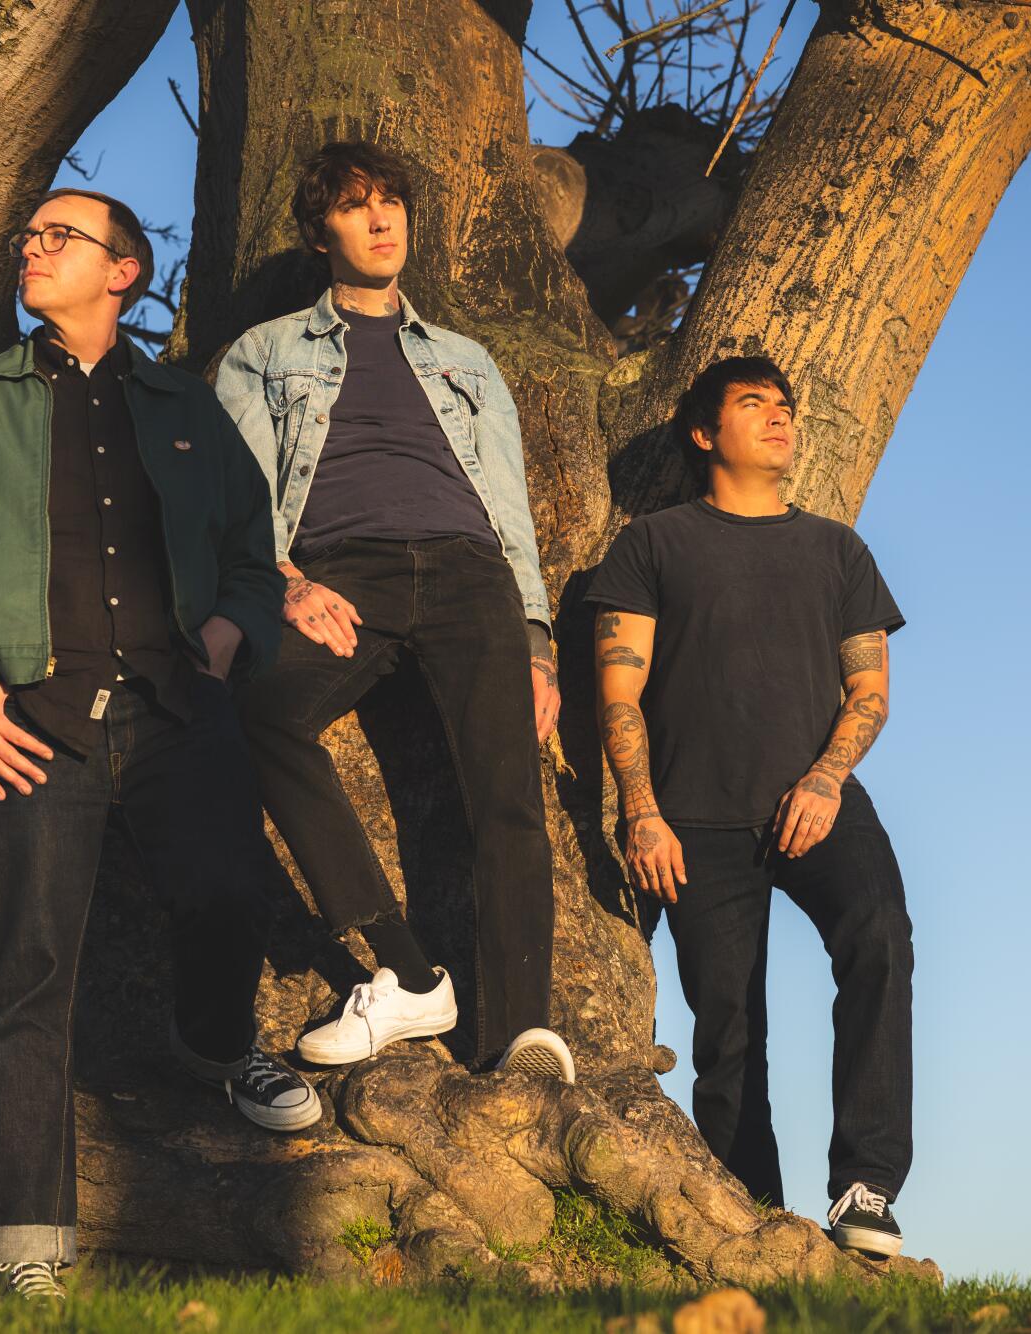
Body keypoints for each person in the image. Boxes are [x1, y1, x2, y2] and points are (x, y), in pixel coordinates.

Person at [0, 188, 318, 1303]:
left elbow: (252, 547)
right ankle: (19, 1239)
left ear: (122, 271)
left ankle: (215, 1048)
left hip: (177, 704)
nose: (30, 248)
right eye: (26, 235)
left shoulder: (182, 401)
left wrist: (231, 631)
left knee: (231, 895)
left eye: (57, 235)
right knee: (24, 971)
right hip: (30, 720)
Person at [215, 141, 572, 1083]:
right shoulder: (263, 353)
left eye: (392, 203)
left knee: (507, 795)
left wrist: (536, 639)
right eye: (354, 205)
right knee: (261, 711)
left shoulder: (466, 361)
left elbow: (510, 506)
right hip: (346, 574)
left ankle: (521, 1039)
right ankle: (408, 974)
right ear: (319, 232)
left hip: (470, 573)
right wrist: (285, 582)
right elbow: (239, 495)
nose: (380, 220)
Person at [587, 356, 915, 1258]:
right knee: (728, 1033)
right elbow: (620, 692)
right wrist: (642, 811)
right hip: (692, 820)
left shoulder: (838, 551)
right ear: (704, 432)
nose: (781, 418)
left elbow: (870, 694)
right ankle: (757, 1220)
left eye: (786, 407)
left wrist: (825, 780)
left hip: (820, 800)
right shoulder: (654, 545)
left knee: (881, 933)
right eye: (754, 403)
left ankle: (866, 1185)